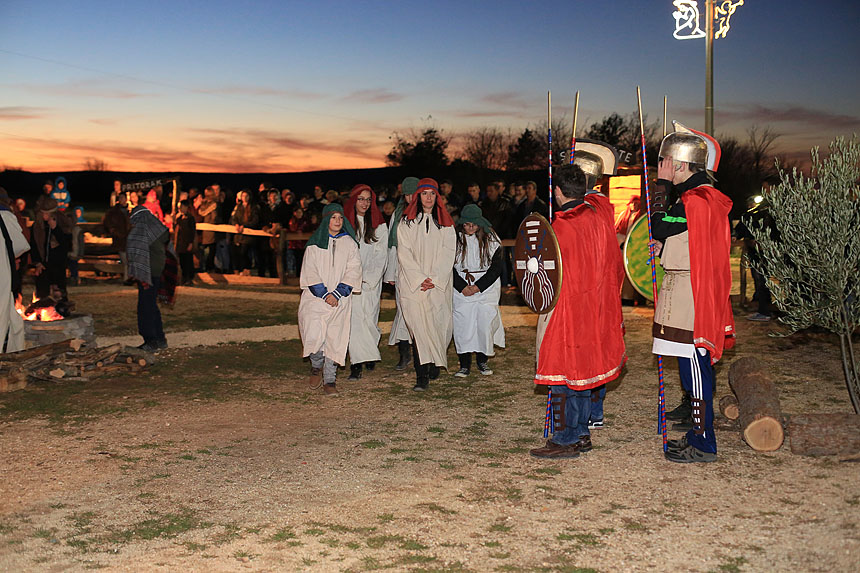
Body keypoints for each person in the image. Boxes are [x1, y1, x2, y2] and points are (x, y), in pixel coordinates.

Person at [650, 123, 735, 463]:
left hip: (692, 292)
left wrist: (658, 186)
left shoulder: (696, 199)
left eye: (665, 161)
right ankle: (697, 432)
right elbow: (679, 235)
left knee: (696, 366)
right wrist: (666, 245)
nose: (662, 166)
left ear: (681, 165)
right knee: (688, 366)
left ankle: (704, 442)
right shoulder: (698, 199)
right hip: (684, 287)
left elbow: (658, 223)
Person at [529, 164, 626, 459]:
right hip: (596, 308)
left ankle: (565, 437)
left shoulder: (560, 228)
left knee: (561, 373)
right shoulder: (600, 213)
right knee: (584, 373)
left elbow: (546, 274)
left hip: (569, 309)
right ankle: (581, 433)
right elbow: (599, 198)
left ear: (556, 192)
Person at [397, 178, 456, 391]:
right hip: (414, 285)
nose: (428, 197)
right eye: (424, 193)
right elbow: (404, 253)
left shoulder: (447, 225)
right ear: (418, 196)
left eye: (432, 193)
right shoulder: (407, 223)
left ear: (437, 196)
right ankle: (421, 376)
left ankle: (434, 363)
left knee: (438, 325)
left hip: (437, 286)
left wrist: (435, 278)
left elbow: (448, 253)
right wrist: (420, 278)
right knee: (418, 330)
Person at [298, 204, 362, 395]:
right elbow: (310, 272)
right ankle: (316, 366)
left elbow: (354, 268)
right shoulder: (314, 245)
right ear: (326, 220)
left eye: (340, 218)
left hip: (340, 299)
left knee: (335, 337)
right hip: (316, 300)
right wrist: (325, 294)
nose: (337, 221)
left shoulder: (349, 243)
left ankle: (330, 380)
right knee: (314, 336)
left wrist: (338, 293)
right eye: (333, 218)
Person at [452, 204, 505, 377]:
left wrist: (478, 286)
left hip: (486, 288)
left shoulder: (491, 239)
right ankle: (464, 363)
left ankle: (482, 361)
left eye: (473, 225)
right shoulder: (454, 238)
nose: (470, 228)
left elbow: (496, 268)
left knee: (484, 323)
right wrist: (461, 287)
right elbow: (446, 266)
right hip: (462, 287)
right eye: (466, 225)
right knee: (463, 325)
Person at [343, 184, 389, 379]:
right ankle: (357, 363)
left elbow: (381, 255)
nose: (365, 203)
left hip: (370, 281)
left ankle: (369, 352)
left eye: (368, 200)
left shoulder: (379, 225)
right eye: (361, 199)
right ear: (354, 201)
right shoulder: (345, 225)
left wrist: (369, 279)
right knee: (354, 321)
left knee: (369, 319)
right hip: (350, 281)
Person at [385, 177, 419, 370]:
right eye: (406, 194)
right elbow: (391, 245)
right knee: (403, 312)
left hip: (421, 272)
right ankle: (404, 353)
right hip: (401, 270)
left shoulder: (428, 214)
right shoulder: (398, 215)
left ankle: (421, 355)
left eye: (413, 193)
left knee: (421, 314)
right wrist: (390, 273)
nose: (410, 197)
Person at [127, 204, 170, 352]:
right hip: (158, 270)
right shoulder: (157, 228)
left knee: (145, 306)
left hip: (148, 272)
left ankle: (150, 340)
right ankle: (160, 338)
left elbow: (136, 250)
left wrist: (136, 271)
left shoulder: (142, 229)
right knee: (151, 304)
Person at [0, 188, 30, 353]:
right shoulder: (6, 216)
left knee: (12, 318)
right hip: (1, 271)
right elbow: (21, 244)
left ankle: (15, 353)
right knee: (3, 313)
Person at [29, 197, 73, 300]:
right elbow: (34, 245)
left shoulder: (63, 224)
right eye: (43, 213)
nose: (45, 216)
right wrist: (37, 262)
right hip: (43, 265)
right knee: (42, 295)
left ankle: (61, 310)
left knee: (59, 292)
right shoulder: (37, 226)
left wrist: (55, 229)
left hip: (58, 264)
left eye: (47, 213)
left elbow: (66, 244)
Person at [229, 189, 260, 275]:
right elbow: (234, 218)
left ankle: (247, 269)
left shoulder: (253, 207)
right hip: (238, 234)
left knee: (244, 251)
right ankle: (240, 270)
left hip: (248, 234)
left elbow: (255, 220)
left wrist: (245, 226)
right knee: (238, 252)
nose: (245, 198)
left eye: (246, 196)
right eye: (243, 196)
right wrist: (236, 224)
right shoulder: (239, 207)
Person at [103, 193, 131, 281]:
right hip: (119, 239)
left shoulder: (129, 211)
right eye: (121, 198)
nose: (123, 200)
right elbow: (107, 222)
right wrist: (113, 231)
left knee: (128, 260)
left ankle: (128, 278)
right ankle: (126, 279)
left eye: (124, 198)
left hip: (128, 239)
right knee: (126, 261)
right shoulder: (113, 212)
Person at [174, 199, 197, 285]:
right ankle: (184, 277)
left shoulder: (190, 218)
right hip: (180, 243)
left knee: (188, 260)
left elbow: (192, 231)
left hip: (187, 242)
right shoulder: (179, 217)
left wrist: (191, 243)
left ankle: (189, 278)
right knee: (182, 261)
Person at [68, 206, 86, 285]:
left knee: (74, 266)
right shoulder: (66, 230)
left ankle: (74, 279)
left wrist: (80, 253)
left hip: (74, 252)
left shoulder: (77, 231)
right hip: (69, 252)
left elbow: (81, 243)